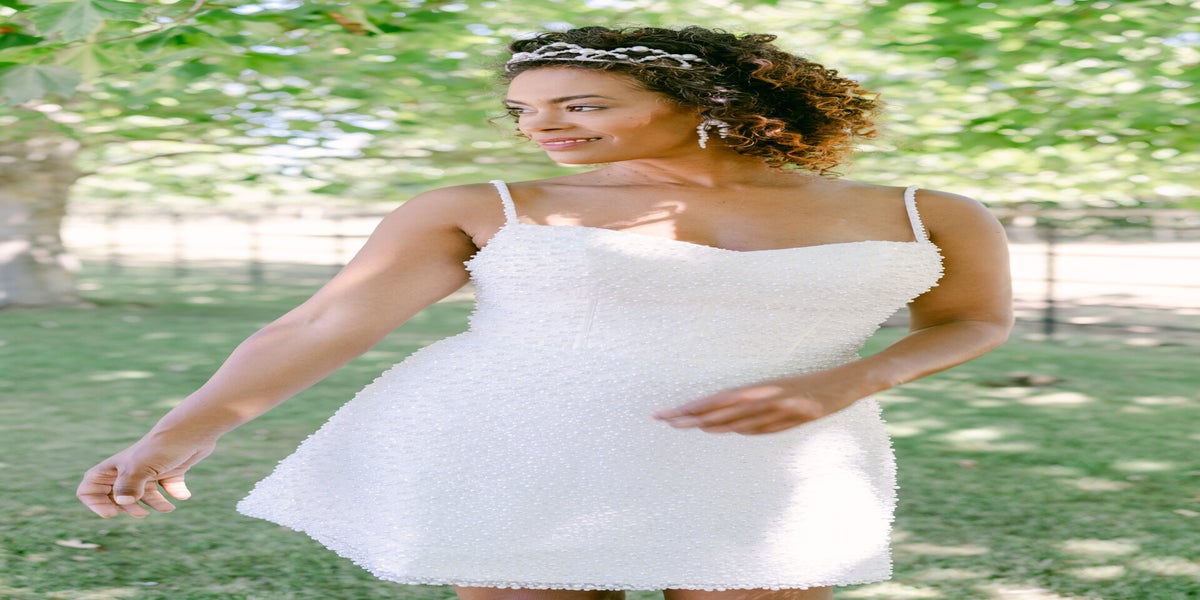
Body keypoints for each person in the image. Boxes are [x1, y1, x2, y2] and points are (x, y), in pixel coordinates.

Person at [78, 25, 1012, 600]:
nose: (542, 128)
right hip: (521, 448)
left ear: (709, 101)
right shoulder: (483, 206)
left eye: (580, 104)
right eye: (523, 112)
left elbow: (971, 320)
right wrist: (177, 434)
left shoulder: (926, 213)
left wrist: (849, 381)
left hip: (776, 468)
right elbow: (322, 325)